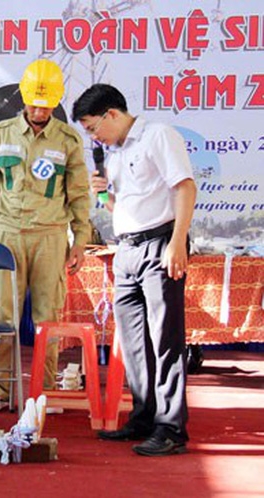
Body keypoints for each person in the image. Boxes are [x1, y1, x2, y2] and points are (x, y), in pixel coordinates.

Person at [72, 83, 196, 456]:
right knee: (133, 340)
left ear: (112, 113)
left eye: (94, 127)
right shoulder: (113, 153)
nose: (94, 136)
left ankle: (171, 427)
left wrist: (177, 241)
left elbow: (185, 188)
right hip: (125, 248)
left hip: (160, 243)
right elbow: (120, 206)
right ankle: (143, 416)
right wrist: (104, 193)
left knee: (165, 339)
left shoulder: (158, 135)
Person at [0, 59, 91, 413]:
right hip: (7, 235)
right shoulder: (1, 133)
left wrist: (80, 240)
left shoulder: (68, 140)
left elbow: (80, 196)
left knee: (47, 317)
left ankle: (43, 389)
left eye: (46, 104)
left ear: (55, 102)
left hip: (51, 236)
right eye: (34, 102)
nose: (39, 110)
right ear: (24, 97)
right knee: (4, 315)